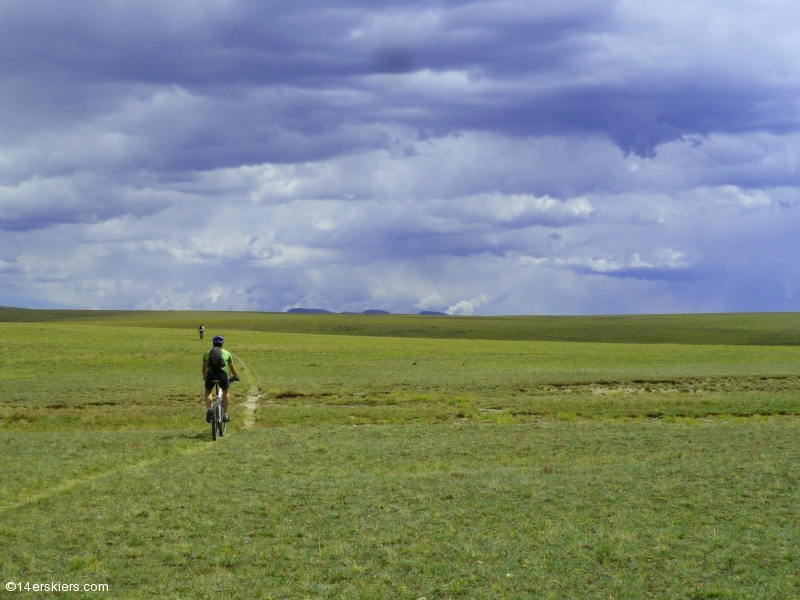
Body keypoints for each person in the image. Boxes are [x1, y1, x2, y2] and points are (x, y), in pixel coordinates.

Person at [202, 335, 239, 424]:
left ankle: (209, 409)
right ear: (222, 343)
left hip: (210, 374)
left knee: (208, 391)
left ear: (213, 343)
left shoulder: (207, 352)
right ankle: (225, 414)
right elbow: (232, 368)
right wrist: (235, 376)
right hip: (222, 375)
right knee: (226, 391)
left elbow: (203, 369)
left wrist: (205, 377)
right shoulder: (227, 353)